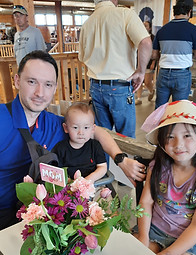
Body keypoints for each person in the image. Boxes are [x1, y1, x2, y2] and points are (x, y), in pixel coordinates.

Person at [0, 50, 146, 230]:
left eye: (48, 84)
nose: (40, 92)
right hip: (5, 214)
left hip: (44, 213)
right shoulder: (2, 119)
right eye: (31, 82)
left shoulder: (54, 123)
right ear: (16, 81)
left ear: (54, 89)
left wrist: (121, 160)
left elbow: (97, 131)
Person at [132, 100, 196, 255]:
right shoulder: (157, 167)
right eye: (170, 137)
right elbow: (146, 202)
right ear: (162, 141)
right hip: (152, 229)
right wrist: (143, 236)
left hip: (185, 241)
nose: (178, 144)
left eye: (187, 135)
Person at [79, 0, 152, 138]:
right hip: (120, 86)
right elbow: (145, 42)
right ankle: (123, 160)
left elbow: (82, 57)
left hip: (96, 86)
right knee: (126, 138)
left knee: (102, 136)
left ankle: (102, 160)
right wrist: (141, 71)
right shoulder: (125, 14)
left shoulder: (87, 23)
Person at [152, 0, 196, 109]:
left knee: (160, 108)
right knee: (179, 109)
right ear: (189, 13)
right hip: (182, 74)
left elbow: (154, 55)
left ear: (174, 13)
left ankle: (160, 126)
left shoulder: (162, 30)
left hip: (163, 73)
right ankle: (175, 126)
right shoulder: (193, 30)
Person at [52, 102, 107, 182]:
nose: (81, 132)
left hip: (93, 183)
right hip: (68, 187)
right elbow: (56, 172)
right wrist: (71, 183)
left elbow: (102, 167)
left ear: (92, 129)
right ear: (66, 128)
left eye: (86, 127)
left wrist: (87, 180)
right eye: (75, 127)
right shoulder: (60, 148)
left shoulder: (95, 146)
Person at [135, 21, 156, 105]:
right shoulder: (138, 37)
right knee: (138, 80)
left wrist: (153, 63)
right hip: (139, 62)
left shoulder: (153, 38)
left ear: (150, 28)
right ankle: (139, 98)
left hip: (149, 62)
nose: (144, 27)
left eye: (146, 26)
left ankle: (151, 91)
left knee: (147, 82)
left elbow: (156, 52)